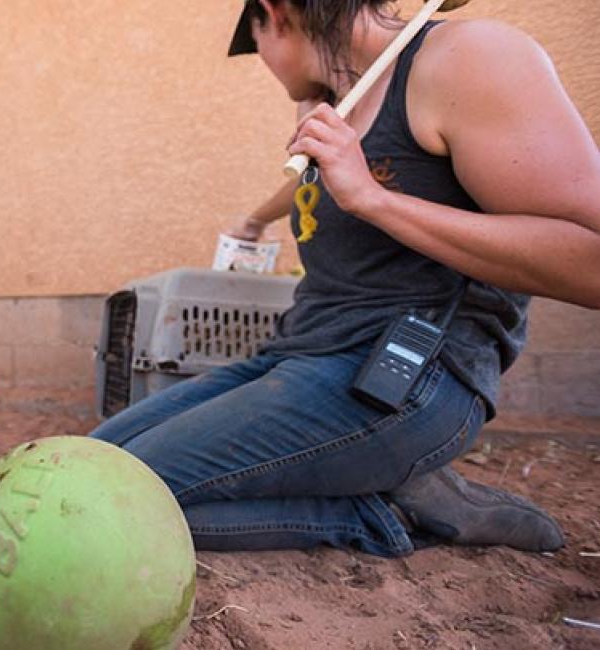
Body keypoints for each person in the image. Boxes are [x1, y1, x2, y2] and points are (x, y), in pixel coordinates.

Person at [91, 0, 600, 557]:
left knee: (120, 499)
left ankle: (387, 512)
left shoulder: (463, 59)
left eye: (255, 44)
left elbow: (589, 260)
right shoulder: (339, 99)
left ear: (275, 14)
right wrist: (259, 216)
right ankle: (379, 484)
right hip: (298, 355)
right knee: (90, 463)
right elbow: (342, 173)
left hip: (409, 380)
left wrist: (374, 201)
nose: (263, 62)